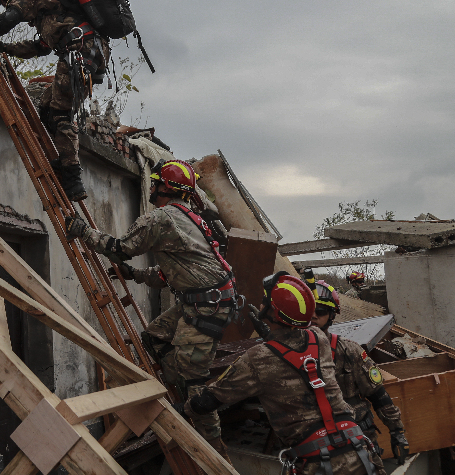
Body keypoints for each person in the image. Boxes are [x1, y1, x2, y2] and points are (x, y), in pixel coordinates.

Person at [63, 159, 238, 457]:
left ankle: (213, 450)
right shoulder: (191, 218)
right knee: (153, 338)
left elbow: (120, 248)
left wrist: (82, 231)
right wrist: (135, 276)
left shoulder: (161, 219)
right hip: (205, 301)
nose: (152, 187)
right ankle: (178, 396)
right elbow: (172, 272)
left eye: (155, 182)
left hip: (205, 308)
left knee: (196, 381)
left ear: (165, 187)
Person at [181, 272, 386, 475]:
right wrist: (272, 334)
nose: (261, 304)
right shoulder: (318, 338)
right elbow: (294, 349)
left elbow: (210, 400)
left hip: (319, 464)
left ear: (273, 312)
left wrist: (184, 409)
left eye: (264, 301)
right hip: (360, 452)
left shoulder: (256, 358)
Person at [0, 0, 110, 201]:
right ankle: (64, 160)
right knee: (48, 109)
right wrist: (5, 48)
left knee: (60, 115)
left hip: (80, 51)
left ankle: (72, 177)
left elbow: (9, 18)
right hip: (89, 52)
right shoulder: (50, 10)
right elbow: (39, 48)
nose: (11, 1)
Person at [311, 280, 409, 464]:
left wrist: (397, 432)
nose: (314, 316)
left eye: (321, 311)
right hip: (314, 445)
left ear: (332, 315)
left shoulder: (349, 351)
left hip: (356, 442)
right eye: (309, 310)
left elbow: (378, 395)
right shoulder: (287, 353)